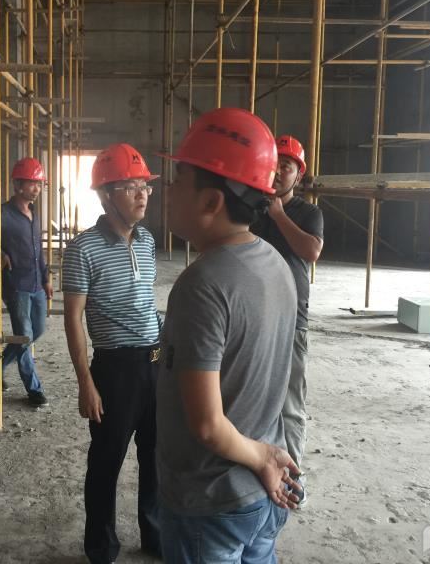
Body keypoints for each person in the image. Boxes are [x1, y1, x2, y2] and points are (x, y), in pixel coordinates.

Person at [157, 107, 302, 563]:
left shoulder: (202, 285)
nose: (167, 190)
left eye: (178, 179)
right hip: (260, 495)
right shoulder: (275, 263)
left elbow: (207, 424)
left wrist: (261, 458)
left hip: (212, 500)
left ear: (210, 201)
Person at [62, 143, 162, 564]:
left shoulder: (148, 240)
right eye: (130, 186)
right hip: (115, 370)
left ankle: (155, 535)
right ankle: (101, 548)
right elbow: (73, 319)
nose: (142, 194)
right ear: (105, 195)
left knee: (156, 458)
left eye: (145, 186)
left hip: (155, 364)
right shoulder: (83, 249)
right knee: (106, 463)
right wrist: (85, 382)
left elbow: (144, 300)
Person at [251, 135, 323, 502]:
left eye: (287, 166)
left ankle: (293, 478)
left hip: (292, 320)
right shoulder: (251, 208)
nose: (279, 171)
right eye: (274, 163)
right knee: (254, 397)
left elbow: (311, 251)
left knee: (290, 404)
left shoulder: (307, 213)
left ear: (299, 174)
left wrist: (278, 215)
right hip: (254, 319)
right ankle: (261, 466)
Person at [0, 157, 50, 407]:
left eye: (39, 184)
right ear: (17, 185)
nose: (37, 188)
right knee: (24, 336)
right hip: (16, 286)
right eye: (32, 183)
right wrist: (0, 252)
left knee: (38, 330)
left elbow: (39, 250)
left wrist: (46, 278)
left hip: (36, 284)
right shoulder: (3, 213)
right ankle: (34, 390)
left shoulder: (34, 214)